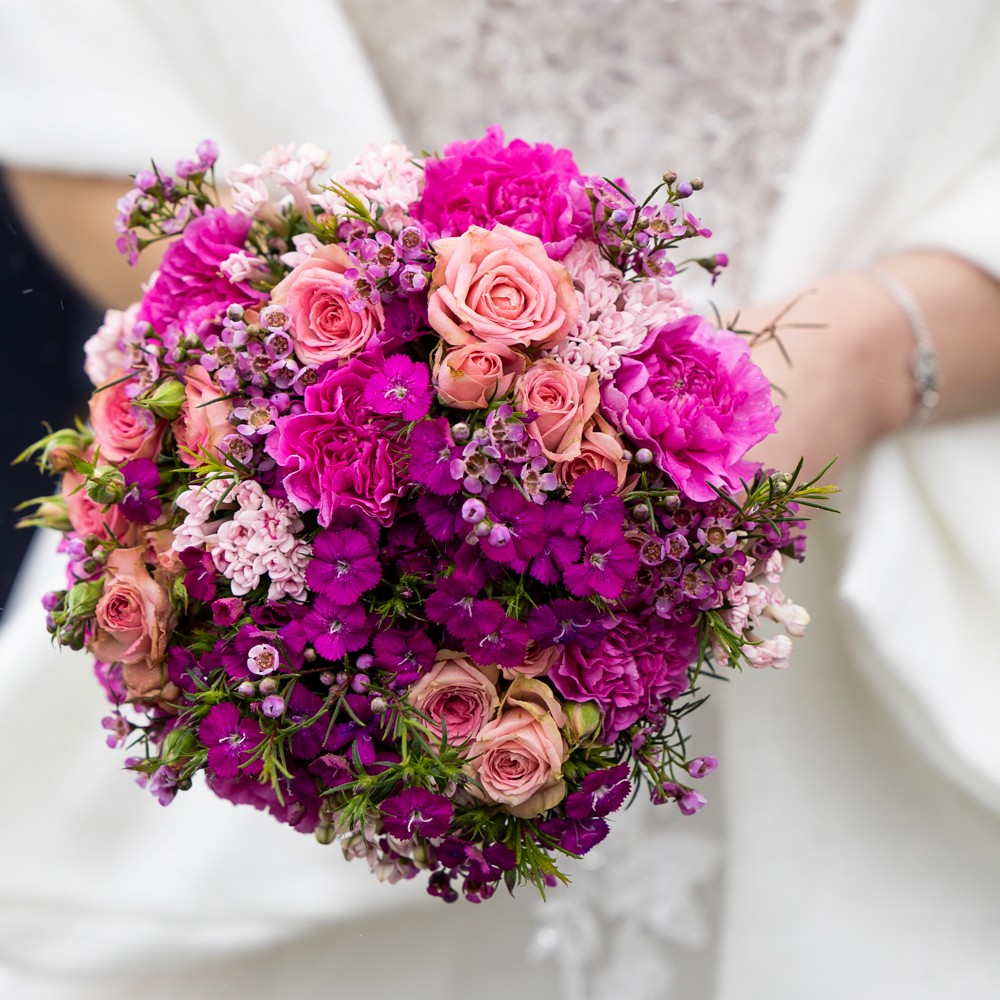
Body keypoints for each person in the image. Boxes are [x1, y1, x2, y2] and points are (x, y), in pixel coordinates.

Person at [1, 1, 998, 997]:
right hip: (349, 551)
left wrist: (867, 353)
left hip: (884, 550)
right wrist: (312, 363)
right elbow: (75, 87)